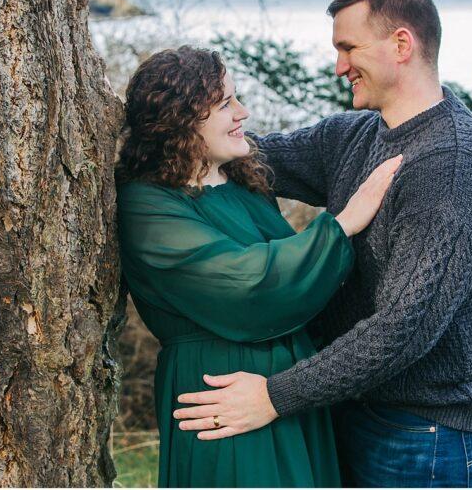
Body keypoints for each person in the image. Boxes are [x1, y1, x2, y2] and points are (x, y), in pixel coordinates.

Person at [173, 0, 472, 488]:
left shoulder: (453, 167)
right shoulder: (355, 134)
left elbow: (402, 329)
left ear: (402, 44)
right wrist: (162, 129)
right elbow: (253, 156)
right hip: (354, 406)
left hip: (424, 430)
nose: (339, 67)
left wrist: (273, 395)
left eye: (348, 48)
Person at [115, 45, 402, 487]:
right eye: (226, 103)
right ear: (181, 117)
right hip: (219, 391)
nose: (242, 112)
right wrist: (342, 224)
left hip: (284, 391)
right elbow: (245, 282)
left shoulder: (243, 181)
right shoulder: (147, 204)